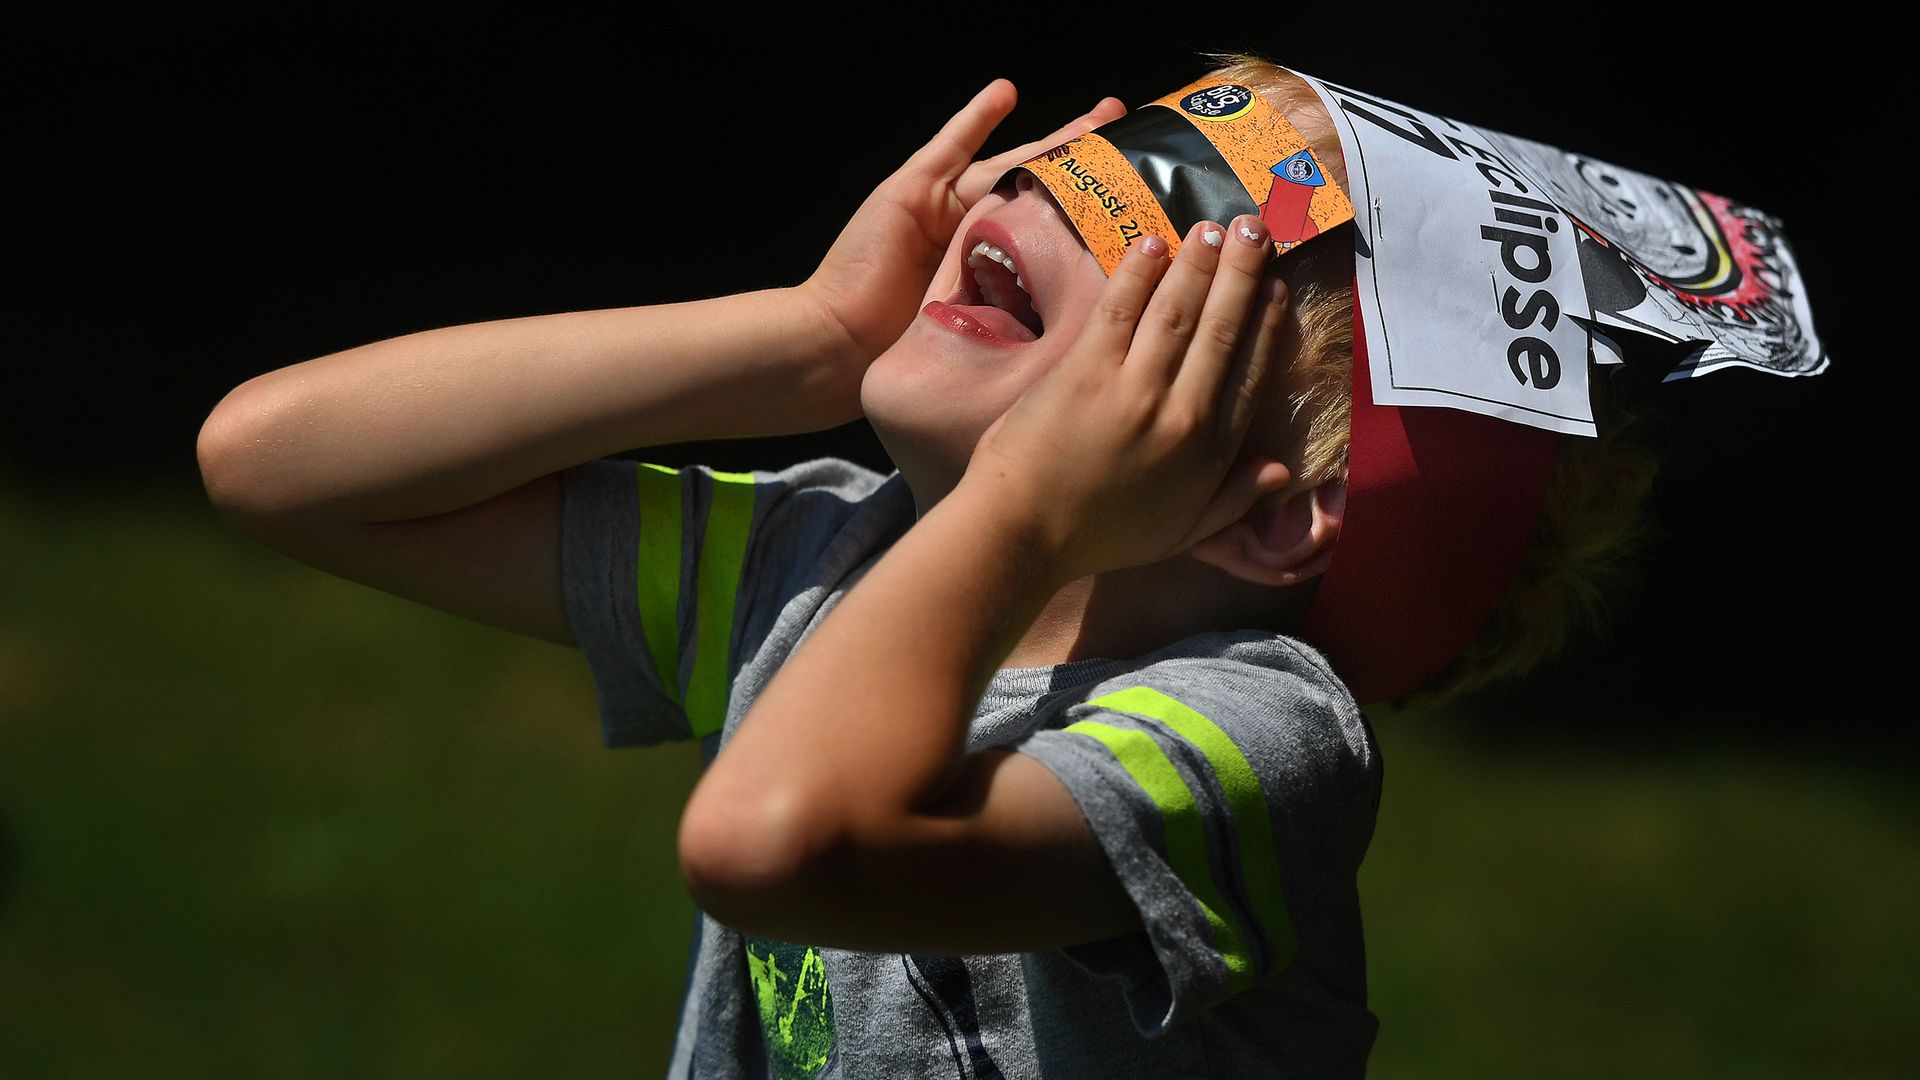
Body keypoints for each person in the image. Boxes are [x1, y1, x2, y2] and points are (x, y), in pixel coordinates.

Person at [197, 52, 1659, 1079]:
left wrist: (1021, 504)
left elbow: (769, 844)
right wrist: (807, 341)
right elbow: (281, 464)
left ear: (1268, 515)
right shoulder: (845, 558)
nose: (1061, 199)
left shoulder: (1255, 746)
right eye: (1123, 159)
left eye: (1184, 246)